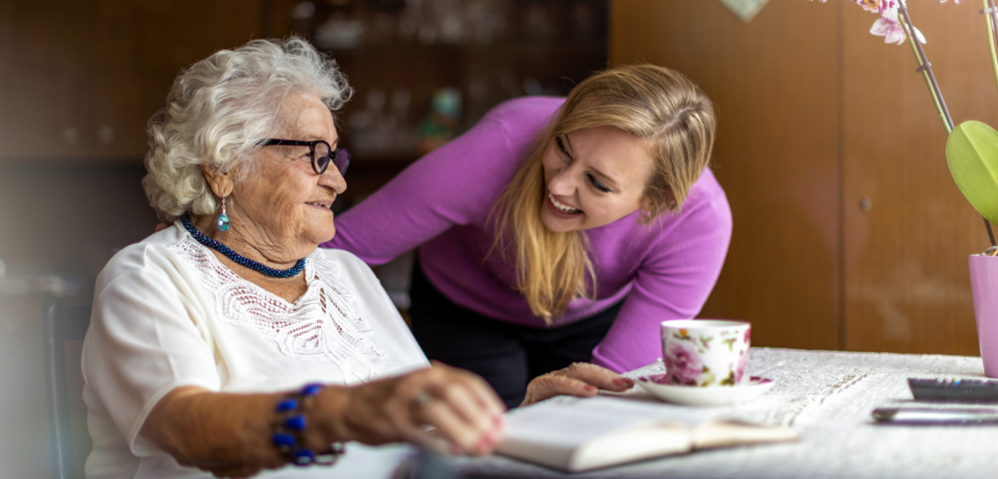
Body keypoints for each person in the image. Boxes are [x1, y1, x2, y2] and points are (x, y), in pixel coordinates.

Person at [81, 38, 632, 479]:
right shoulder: (150, 277)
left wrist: (519, 410)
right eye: (314, 156)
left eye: (336, 156)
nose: (339, 180)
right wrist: (343, 412)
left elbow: (418, 430)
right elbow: (187, 429)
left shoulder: (343, 273)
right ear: (223, 167)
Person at [325, 64, 732, 408]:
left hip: (589, 317)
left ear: (655, 203)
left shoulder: (698, 222)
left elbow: (612, 393)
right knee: (481, 441)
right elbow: (334, 249)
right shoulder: (501, 144)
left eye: (597, 183)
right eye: (563, 148)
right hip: (465, 307)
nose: (559, 185)